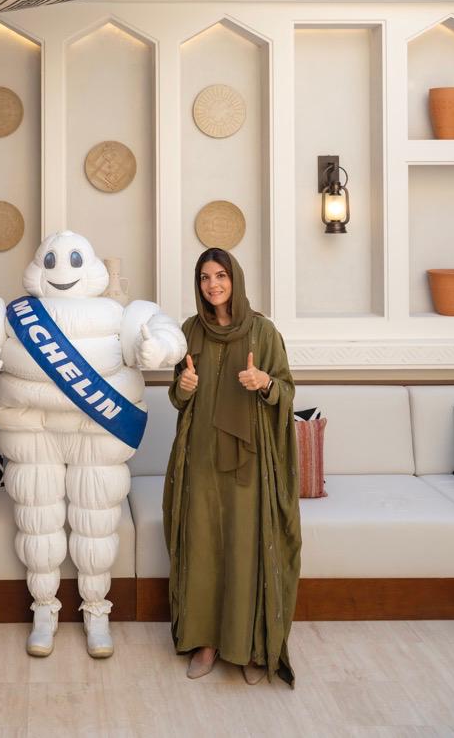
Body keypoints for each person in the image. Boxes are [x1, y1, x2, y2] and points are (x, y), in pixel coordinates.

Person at [0, 230, 186, 658]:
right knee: (37, 522)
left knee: (97, 523)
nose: (62, 269)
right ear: (37, 267)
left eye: (74, 261)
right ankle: (44, 609)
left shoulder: (118, 315)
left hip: (97, 433)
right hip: (32, 434)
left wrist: (159, 350)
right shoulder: (11, 314)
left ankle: (97, 611)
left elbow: (163, 330)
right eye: (51, 260)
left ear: (90, 267)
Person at [164, 247, 301, 686]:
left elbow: (286, 390)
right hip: (201, 457)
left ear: (235, 279)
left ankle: (248, 647)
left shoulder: (263, 331)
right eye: (205, 277)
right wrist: (184, 387)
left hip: (249, 461)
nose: (213, 285)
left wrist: (265, 382)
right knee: (203, 548)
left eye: (220, 275)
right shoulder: (190, 331)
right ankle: (205, 643)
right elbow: (178, 396)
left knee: (244, 549)